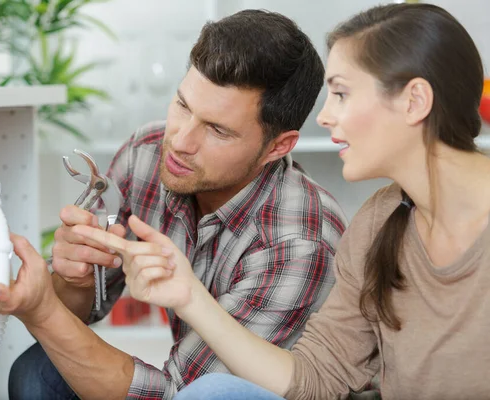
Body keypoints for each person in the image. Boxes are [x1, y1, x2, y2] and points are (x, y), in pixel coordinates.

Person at [73, 3, 490, 400]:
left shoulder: (310, 232)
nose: (324, 117)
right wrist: (190, 298)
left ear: (414, 101)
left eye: (341, 94)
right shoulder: (379, 221)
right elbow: (314, 377)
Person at [0, 9, 348, 400]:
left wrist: (41, 311)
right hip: (194, 384)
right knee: (40, 373)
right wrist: (76, 281)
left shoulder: (300, 240)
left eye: (217, 130)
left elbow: (185, 395)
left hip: (231, 394)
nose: (180, 141)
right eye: (183, 105)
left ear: (277, 147)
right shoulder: (147, 154)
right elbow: (79, 313)